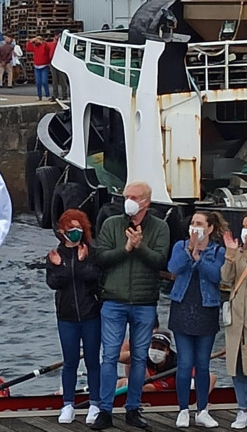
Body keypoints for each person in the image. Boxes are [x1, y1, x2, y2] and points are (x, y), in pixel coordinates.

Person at [91, 181, 170, 430]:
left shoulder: (160, 227)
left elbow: (159, 260)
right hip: (113, 299)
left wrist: (140, 246)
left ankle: (133, 408)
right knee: (110, 356)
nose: (128, 200)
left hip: (144, 301)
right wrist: (126, 248)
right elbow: (101, 258)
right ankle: (104, 410)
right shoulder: (111, 224)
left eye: (133, 196)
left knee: (139, 358)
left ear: (146, 201)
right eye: (126, 196)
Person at [167, 211, 225, 427]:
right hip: (182, 308)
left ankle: (202, 409)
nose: (195, 227)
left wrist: (199, 259)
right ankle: (183, 409)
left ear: (209, 228)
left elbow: (217, 275)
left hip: (206, 309)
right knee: (184, 363)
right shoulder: (180, 246)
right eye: (192, 223)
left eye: (199, 224)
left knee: (202, 364)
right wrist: (190, 251)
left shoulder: (217, 250)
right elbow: (173, 268)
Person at [46, 209, 102, 425]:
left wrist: (79, 263)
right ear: (62, 231)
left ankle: (94, 403)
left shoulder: (90, 252)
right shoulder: (55, 255)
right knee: (70, 361)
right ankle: (68, 403)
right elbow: (54, 283)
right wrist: (60, 266)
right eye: (71, 229)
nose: (76, 233)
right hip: (66, 316)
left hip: (90, 314)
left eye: (79, 228)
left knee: (92, 361)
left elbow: (94, 276)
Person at [223, 212, 247, 429]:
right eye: (244, 226)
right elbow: (225, 278)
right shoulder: (237, 252)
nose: (246, 230)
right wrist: (231, 254)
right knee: (238, 367)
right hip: (236, 320)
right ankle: (244, 409)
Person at [26, 36, 53, 101]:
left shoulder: (44, 46)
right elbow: (28, 48)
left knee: (44, 81)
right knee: (38, 82)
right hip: (37, 66)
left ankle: (47, 95)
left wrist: (42, 41)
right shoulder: (35, 47)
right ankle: (39, 95)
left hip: (44, 66)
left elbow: (47, 47)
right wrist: (30, 41)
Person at [49, 30, 69, 101]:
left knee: (63, 80)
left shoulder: (63, 44)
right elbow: (51, 53)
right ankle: (55, 95)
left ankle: (64, 95)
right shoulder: (52, 44)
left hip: (61, 63)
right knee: (55, 80)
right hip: (53, 62)